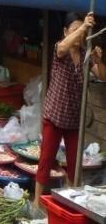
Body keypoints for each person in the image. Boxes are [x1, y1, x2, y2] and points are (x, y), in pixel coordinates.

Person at [34, 11, 106, 206]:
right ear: (65, 31)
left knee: (75, 167)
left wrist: (98, 60)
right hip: (55, 116)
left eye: (82, 32)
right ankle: (36, 204)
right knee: (46, 162)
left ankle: (71, 201)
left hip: (74, 120)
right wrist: (83, 26)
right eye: (75, 30)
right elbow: (63, 46)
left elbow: (102, 76)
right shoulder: (61, 49)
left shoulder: (85, 54)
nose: (80, 35)